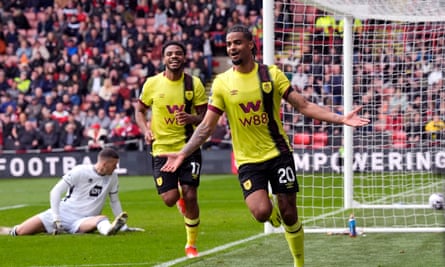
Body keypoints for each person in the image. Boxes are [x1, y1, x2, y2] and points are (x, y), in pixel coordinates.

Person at [160, 25, 370, 267]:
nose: (232, 48)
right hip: (248, 160)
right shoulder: (222, 83)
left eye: (237, 42)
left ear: (250, 44)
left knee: (290, 213)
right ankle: (273, 213)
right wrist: (183, 153)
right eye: (229, 44)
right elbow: (206, 126)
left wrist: (340, 118)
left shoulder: (271, 74)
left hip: (279, 153)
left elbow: (303, 105)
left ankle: (298, 263)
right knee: (261, 213)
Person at [135, 41, 208, 258]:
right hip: (161, 149)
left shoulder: (194, 84)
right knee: (169, 199)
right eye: (169, 53)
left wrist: (192, 117)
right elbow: (139, 110)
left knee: (191, 194)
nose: (174, 56)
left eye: (178, 53)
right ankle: (179, 199)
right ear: (163, 58)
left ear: (184, 57)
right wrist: (144, 130)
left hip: (188, 148)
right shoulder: (152, 84)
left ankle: (191, 244)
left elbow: (206, 118)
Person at [3, 148, 143, 236]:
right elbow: (55, 192)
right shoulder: (80, 171)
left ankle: (109, 230)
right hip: (63, 213)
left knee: (101, 219)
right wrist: (56, 217)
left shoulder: (113, 177)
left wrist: (123, 225)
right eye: (114, 165)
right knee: (20, 232)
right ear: (104, 164)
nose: (116, 168)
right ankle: (7, 230)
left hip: (84, 220)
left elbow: (114, 201)